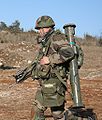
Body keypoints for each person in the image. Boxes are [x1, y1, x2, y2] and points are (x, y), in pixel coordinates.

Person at [30, 15, 75, 120]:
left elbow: (69, 53)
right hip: (46, 82)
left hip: (55, 83)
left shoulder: (56, 38)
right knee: (36, 109)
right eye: (38, 29)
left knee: (57, 115)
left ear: (48, 27)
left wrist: (50, 59)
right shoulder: (46, 40)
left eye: (41, 28)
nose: (39, 31)